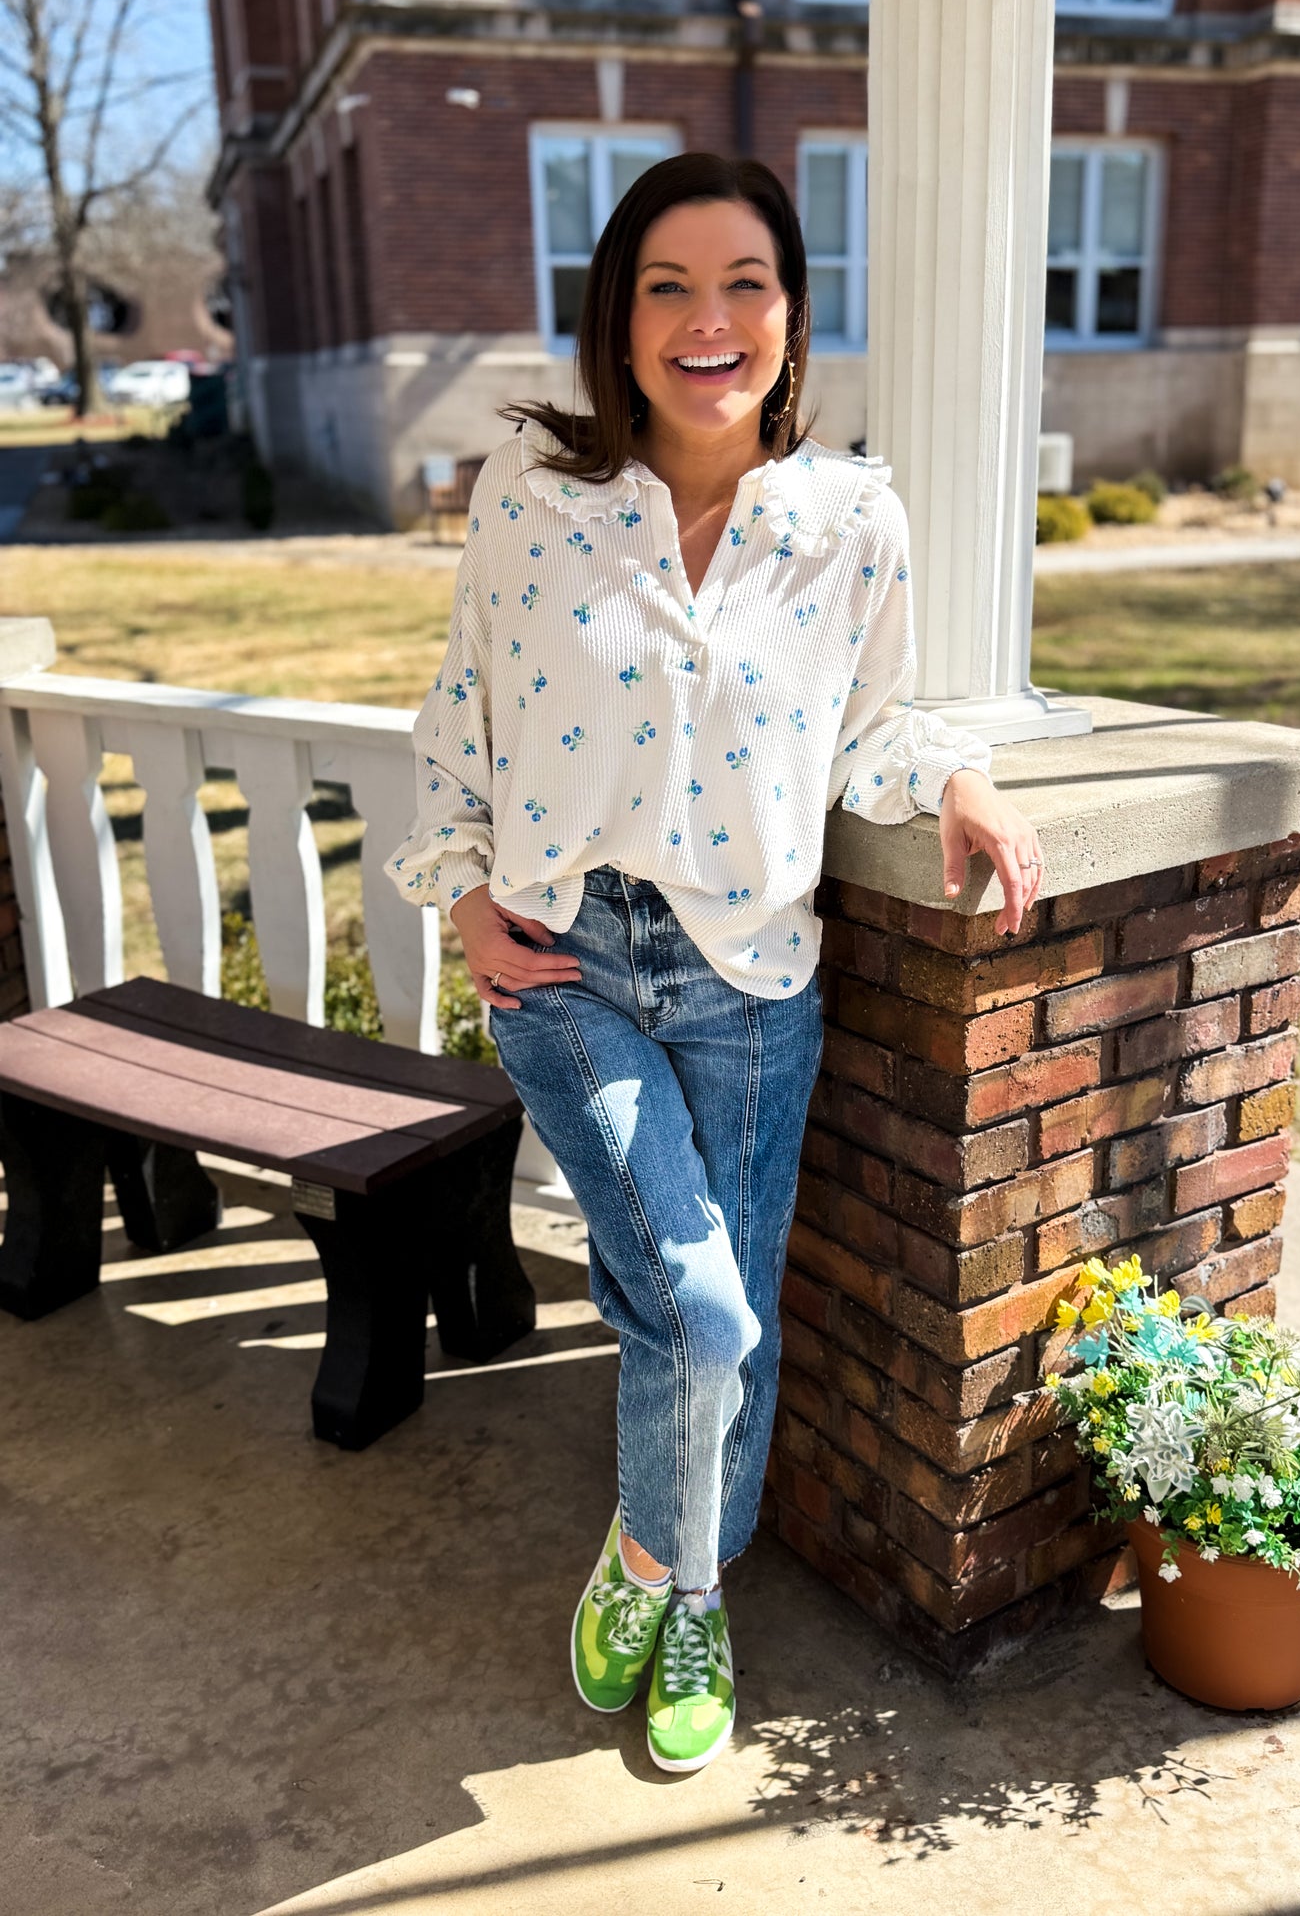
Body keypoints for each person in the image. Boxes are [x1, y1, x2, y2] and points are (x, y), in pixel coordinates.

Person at [387, 152, 1044, 1773]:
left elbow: (869, 726)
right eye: (666, 285)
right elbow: (458, 712)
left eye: (742, 281)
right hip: (568, 958)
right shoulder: (530, 503)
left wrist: (950, 777)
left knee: (706, 1318)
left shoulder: (848, 518)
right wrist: (461, 894)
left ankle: (664, 1570)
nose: (706, 319)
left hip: (754, 972)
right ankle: (684, 1585)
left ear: (791, 314)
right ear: (616, 319)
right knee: (696, 1311)